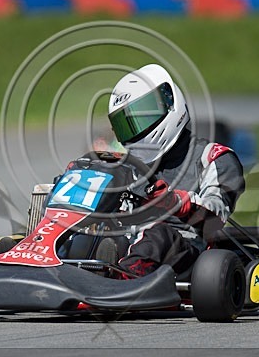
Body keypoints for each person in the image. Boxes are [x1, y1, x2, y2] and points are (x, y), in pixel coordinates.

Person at [105, 64, 245, 277]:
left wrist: (177, 202)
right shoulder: (128, 167)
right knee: (89, 236)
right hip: (129, 241)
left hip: (189, 251)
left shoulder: (214, 158)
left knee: (158, 235)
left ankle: (121, 280)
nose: (136, 131)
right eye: (127, 126)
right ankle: (66, 271)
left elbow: (216, 215)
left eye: (140, 120)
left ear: (168, 104)